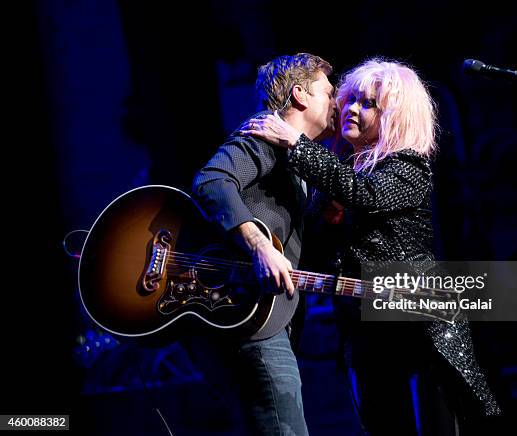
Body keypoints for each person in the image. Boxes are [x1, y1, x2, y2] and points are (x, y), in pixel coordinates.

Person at [240, 58, 501, 435]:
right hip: (363, 328)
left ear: (394, 117)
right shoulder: (340, 173)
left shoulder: (409, 166)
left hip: (419, 327)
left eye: (368, 104)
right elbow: (315, 249)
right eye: (350, 100)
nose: (351, 109)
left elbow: (367, 194)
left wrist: (297, 144)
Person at [190, 52, 337, 435]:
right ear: (301, 95)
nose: (337, 102)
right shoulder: (262, 136)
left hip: (267, 316)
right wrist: (259, 245)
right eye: (328, 92)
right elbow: (211, 181)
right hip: (250, 320)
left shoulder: (295, 154)